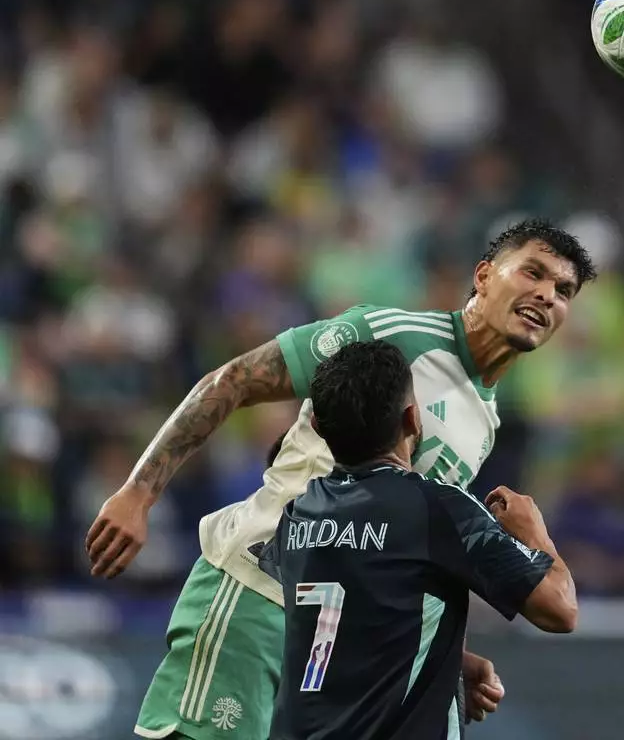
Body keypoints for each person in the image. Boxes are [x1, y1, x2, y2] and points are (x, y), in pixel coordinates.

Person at [83, 217, 595, 739]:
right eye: (532, 272)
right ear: (484, 276)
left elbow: (403, 543)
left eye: (563, 290)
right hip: (257, 592)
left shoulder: (484, 419)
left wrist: (451, 653)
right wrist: (138, 492)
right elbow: (235, 379)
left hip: (333, 640)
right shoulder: (391, 335)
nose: (546, 295)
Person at [259, 340, 576, 739]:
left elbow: (338, 625)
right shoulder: (436, 508)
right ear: (412, 419)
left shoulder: (298, 513)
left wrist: (450, 660)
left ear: (318, 429)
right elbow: (559, 609)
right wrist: (535, 533)